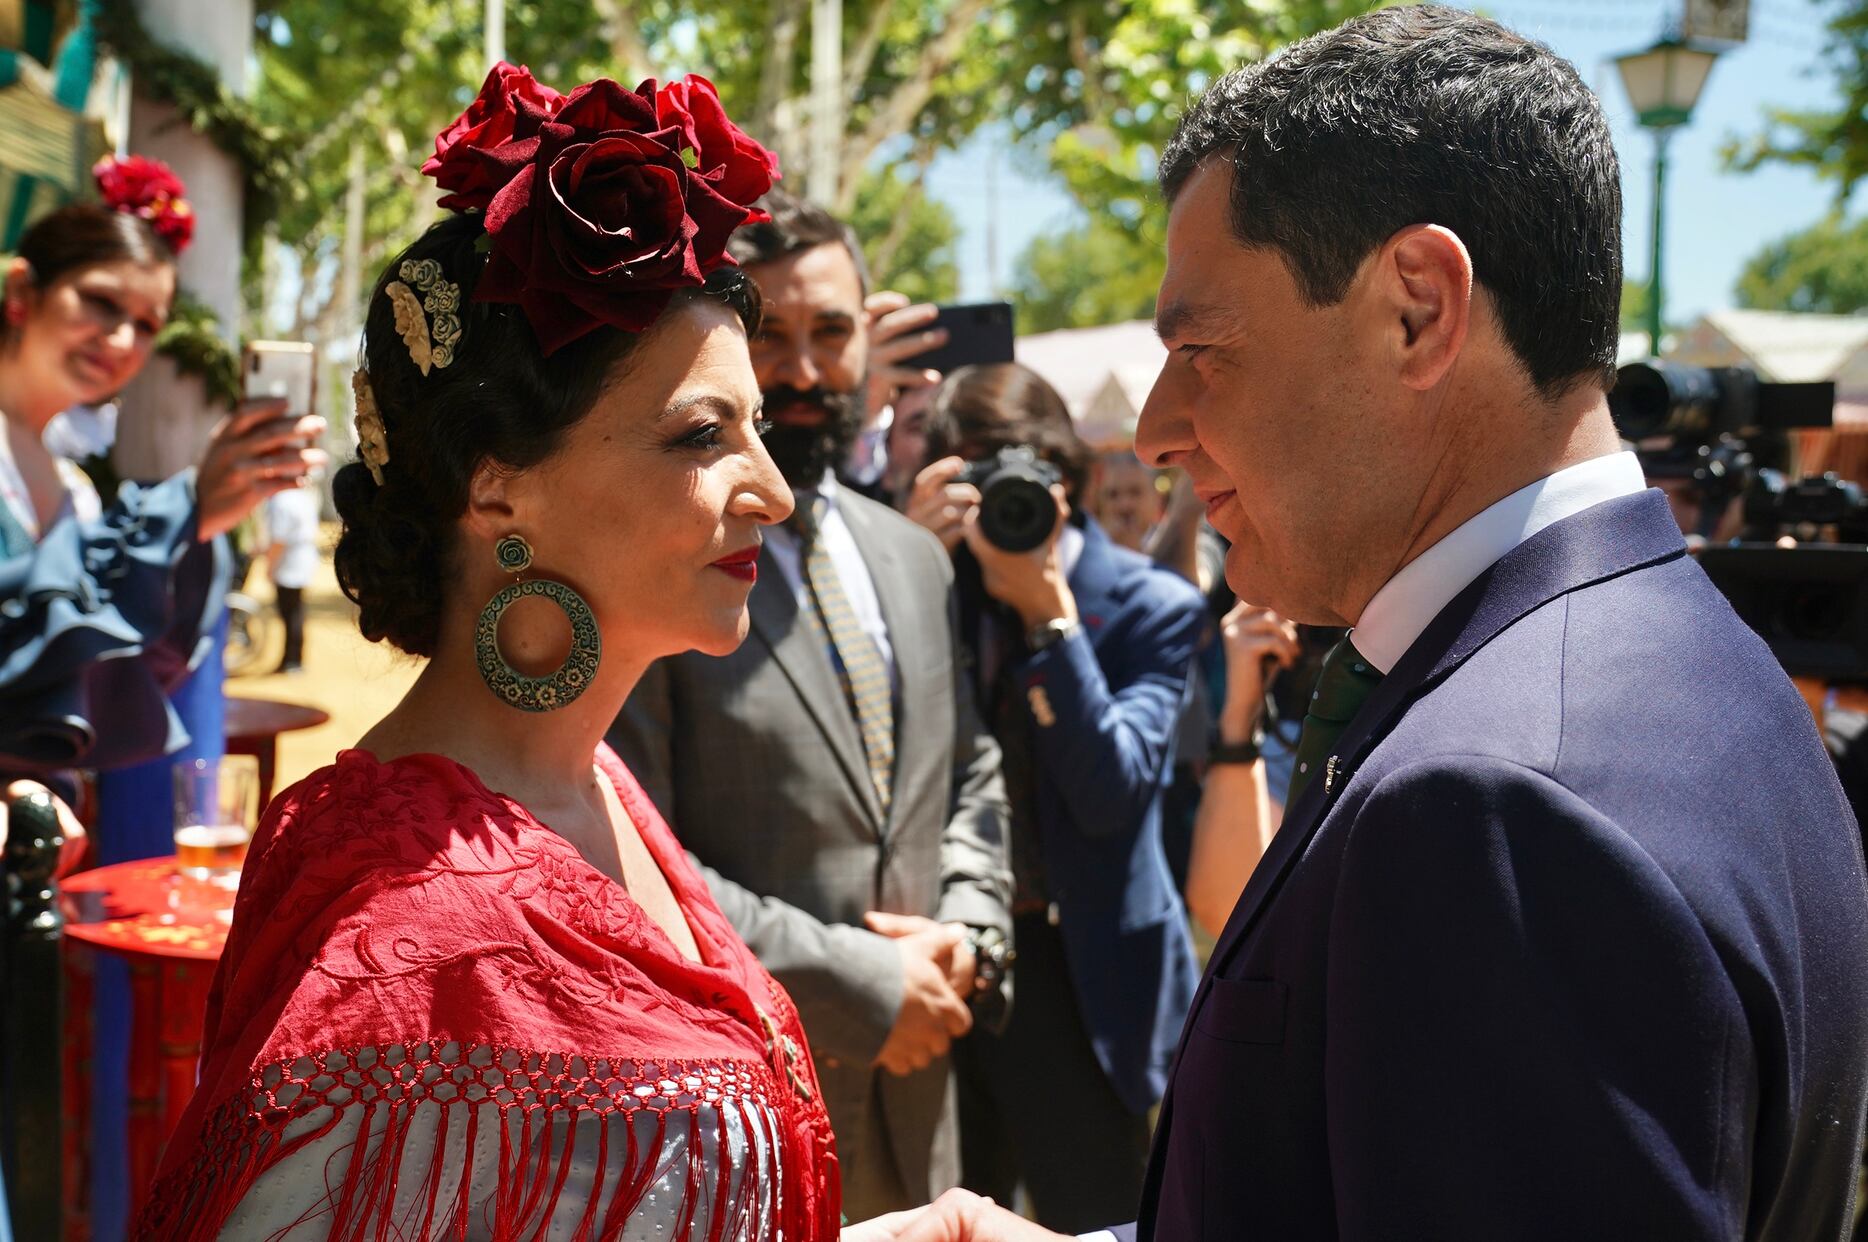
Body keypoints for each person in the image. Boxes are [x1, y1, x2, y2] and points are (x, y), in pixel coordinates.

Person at [883, 8, 1868, 1241]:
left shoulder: (1501, 801)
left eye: (1202, 347)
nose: (1152, 430)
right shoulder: (1691, 664)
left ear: (1416, 308)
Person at [142, 68, 844, 1238]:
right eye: (701, 436)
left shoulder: (598, 787)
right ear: (498, 489)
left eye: (755, 431)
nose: (770, 493)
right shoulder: (395, 930)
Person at [609, 189, 1012, 1218]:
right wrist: (861, 988)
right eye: (766, 336)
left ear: (864, 344)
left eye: (827, 333)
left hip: (925, 1103)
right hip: (737, 1119)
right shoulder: (654, 568)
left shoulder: (917, 557)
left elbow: (966, 769)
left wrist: (966, 937)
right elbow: (629, 852)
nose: (797, 370)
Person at [903, 363, 1202, 1230]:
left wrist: (1047, 618)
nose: (1001, 497)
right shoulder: (928, 589)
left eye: (1017, 468)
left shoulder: (1153, 605)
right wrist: (909, 555)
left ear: (1062, 473)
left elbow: (1111, 794)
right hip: (947, 963)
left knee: (1094, 1220)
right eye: (974, 473)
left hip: (1085, 979)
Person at [1, 158, 325, 781]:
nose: (122, 341)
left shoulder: (73, 490)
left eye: (146, 325)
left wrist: (200, 523)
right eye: (100, 301)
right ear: (23, 292)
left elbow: (108, 677)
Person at [261, 482, 320, 673]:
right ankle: (292, 658)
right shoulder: (303, 496)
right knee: (295, 611)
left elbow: (279, 539)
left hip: (289, 561)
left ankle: (292, 659)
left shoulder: (281, 500)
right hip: (302, 557)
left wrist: (269, 565)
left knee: (290, 612)